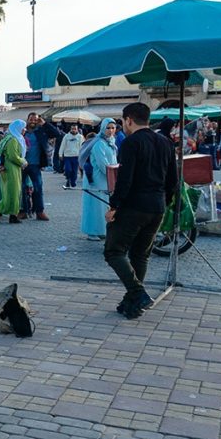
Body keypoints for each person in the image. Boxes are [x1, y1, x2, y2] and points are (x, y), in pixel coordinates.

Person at [106, 102, 177, 320]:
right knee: (140, 254)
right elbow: (173, 180)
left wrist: (114, 207)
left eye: (122, 122)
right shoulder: (165, 142)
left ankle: (138, 293)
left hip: (135, 206)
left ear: (128, 119)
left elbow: (124, 180)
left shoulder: (131, 143)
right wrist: (163, 201)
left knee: (113, 251)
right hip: (157, 206)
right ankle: (132, 303)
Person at [80, 118, 119, 241]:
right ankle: (92, 232)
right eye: (108, 128)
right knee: (94, 207)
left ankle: (101, 230)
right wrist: (112, 174)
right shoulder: (99, 144)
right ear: (103, 128)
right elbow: (103, 164)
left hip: (107, 179)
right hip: (96, 180)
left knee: (103, 206)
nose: (111, 130)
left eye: (113, 128)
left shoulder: (111, 142)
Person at [20, 113, 62, 220]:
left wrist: (44, 124)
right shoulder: (21, 132)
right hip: (21, 164)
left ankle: (39, 211)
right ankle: (23, 211)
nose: (33, 121)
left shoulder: (41, 131)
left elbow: (57, 134)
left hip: (36, 164)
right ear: (27, 120)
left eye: (36, 119)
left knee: (38, 188)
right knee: (22, 188)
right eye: (31, 119)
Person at [0, 120, 27, 224]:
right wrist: (23, 161)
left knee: (13, 192)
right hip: (11, 168)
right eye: (23, 127)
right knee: (12, 192)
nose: (24, 130)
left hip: (12, 168)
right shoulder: (13, 140)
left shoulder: (10, 138)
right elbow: (13, 156)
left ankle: (13, 215)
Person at [59, 124, 84, 190]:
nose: (73, 130)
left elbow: (82, 147)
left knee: (74, 171)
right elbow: (63, 145)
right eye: (72, 129)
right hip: (67, 156)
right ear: (70, 129)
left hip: (76, 156)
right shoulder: (66, 136)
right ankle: (68, 179)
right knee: (68, 169)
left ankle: (73, 182)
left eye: (75, 129)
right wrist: (60, 154)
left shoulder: (80, 137)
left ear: (77, 129)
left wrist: (82, 155)